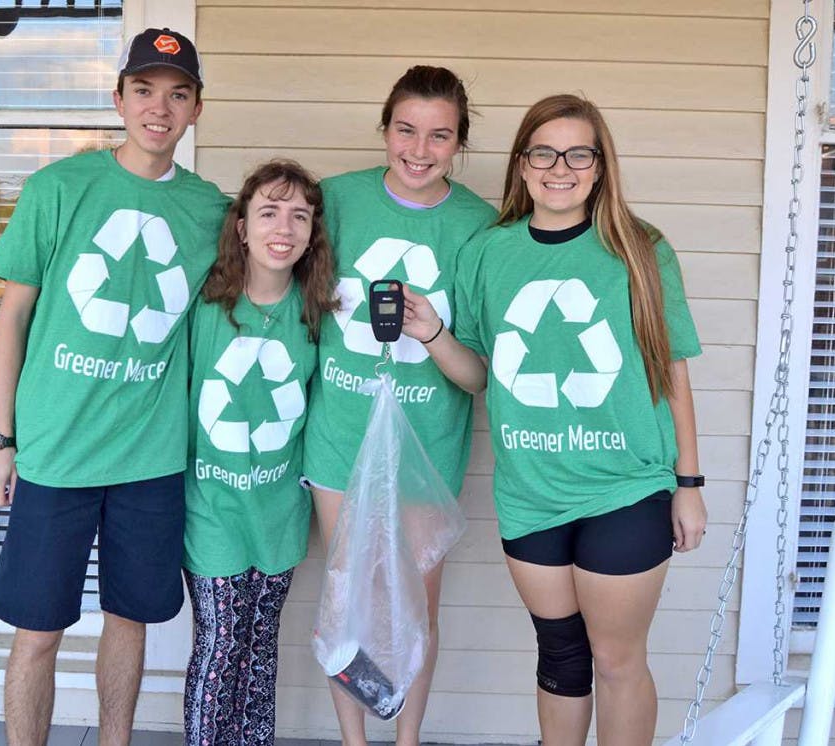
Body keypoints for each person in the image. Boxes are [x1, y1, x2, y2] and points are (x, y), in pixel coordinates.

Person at [402, 93, 708, 746]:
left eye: (578, 153)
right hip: (529, 493)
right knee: (561, 656)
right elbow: (482, 374)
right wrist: (431, 334)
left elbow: (672, 370)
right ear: (521, 164)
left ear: (601, 167)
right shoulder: (488, 254)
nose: (559, 166)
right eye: (543, 151)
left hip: (624, 487)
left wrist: (689, 484)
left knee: (618, 659)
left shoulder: (641, 251)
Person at [0, 28, 229, 746]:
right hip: (56, 454)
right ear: (118, 99)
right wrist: (1, 440)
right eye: (145, 91)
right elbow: (12, 317)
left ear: (196, 110)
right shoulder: (58, 188)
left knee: (130, 620)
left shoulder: (210, 211)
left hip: (151, 459)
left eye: (178, 94)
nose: (160, 108)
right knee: (38, 632)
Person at [302, 65, 497, 745]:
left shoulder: (479, 226)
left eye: (440, 135)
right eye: (406, 130)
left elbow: (476, 377)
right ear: (385, 129)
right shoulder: (333, 201)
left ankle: (404, 740)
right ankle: (356, 741)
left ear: (459, 142)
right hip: (340, 438)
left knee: (415, 607)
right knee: (350, 601)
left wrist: (432, 332)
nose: (420, 149)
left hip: (425, 450)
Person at [182, 159, 338, 746]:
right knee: (220, 648)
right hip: (212, 509)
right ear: (241, 226)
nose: (284, 227)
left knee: (258, 650)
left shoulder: (316, 313)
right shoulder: (205, 306)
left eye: (299, 215)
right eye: (269, 212)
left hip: (278, 514)